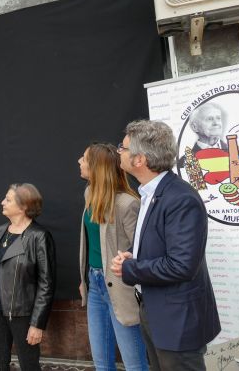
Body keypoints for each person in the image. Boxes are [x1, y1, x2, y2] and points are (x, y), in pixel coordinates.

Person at [110, 120, 220, 371]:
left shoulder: (180, 198)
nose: (119, 152)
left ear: (140, 160)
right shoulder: (152, 192)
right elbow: (164, 247)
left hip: (177, 321)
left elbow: (181, 266)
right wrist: (135, 255)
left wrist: (130, 268)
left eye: (123, 148)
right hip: (157, 312)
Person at [77, 144, 148, 371]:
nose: (79, 161)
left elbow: (143, 251)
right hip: (95, 284)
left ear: (97, 167)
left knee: (134, 364)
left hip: (121, 287)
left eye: (85, 158)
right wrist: (85, 279)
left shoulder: (128, 203)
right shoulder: (89, 193)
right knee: (101, 362)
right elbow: (91, 243)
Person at [0, 183, 56, 371]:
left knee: (29, 365)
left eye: (8, 199)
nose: (2, 202)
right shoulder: (0, 231)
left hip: (23, 313)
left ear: (23, 207)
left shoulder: (39, 237)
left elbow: (47, 284)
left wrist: (37, 324)